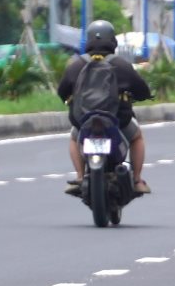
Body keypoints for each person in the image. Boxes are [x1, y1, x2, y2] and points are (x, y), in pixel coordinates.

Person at [57, 20, 153, 195]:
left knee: (73, 137)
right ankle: (137, 180)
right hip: (118, 121)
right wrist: (143, 96)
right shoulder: (122, 65)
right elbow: (142, 90)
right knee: (137, 137)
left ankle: (79, 176)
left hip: (84, 122)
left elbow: (62, 91)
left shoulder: (76, 65)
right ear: (112, 41)